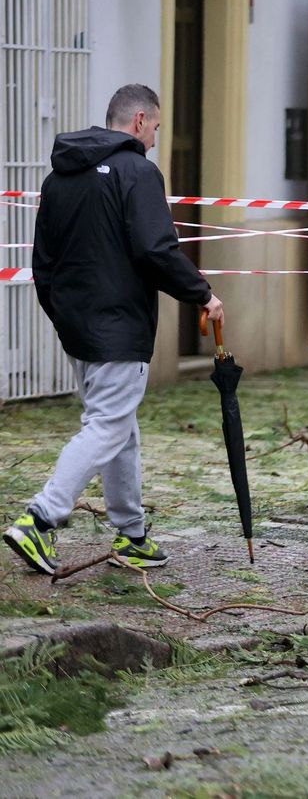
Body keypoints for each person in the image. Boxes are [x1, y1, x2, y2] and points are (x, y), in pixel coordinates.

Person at [4, 85, 224, 575]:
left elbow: (43, 260)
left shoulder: (59, 177)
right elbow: (155, 249)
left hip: (77, 325)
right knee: (106, 426)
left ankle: (132, 534)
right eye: (157, 128)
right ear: (140, 120)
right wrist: (203, 294)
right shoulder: (138, 172)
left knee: (119, 428)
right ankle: (40, 518)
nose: (155, 139)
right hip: (119, 325)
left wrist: (62, 313)